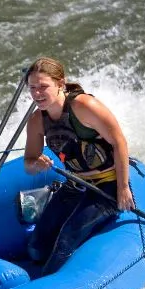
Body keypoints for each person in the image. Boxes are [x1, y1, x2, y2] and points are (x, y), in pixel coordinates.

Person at [23, 57, 132, 274]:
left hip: (107, 186)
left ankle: (49, 286)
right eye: (32, 88)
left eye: (43, 87)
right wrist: (37, 163)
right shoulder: (36, 121)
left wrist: (123, 188)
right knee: (36, 249)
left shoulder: (84, 106)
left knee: (64, 244)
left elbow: (119, 141)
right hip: (76, 183)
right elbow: (29, 163)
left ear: (60, 84)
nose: (37, 94)